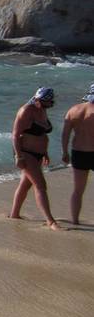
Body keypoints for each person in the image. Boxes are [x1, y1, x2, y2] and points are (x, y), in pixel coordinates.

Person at [9, 86, 60, 229]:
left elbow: (42, 134)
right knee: (41, 185)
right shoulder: (26, 110)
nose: (51, 104)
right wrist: (18, 156)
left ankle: (14, 214)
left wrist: (45, 152)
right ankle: (50, 221)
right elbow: (15, 135)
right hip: (26, 153)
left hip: (38, 154)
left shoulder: (42, 109)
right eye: (48, 101)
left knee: (25, 184)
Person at [61, 82, 94, 225]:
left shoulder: (73, 110)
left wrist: (64, 152)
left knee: (78, 190)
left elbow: (65, 134)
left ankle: (75, 220)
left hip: (78, 153)